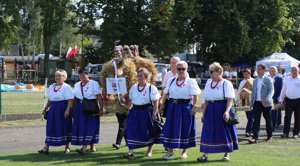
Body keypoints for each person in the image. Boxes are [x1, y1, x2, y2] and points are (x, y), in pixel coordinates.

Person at [198, 62, 238, 162]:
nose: (210, 73)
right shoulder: (208, 82)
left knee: (225, 131)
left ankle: (227, 154)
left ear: (219, 71)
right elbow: (206, 99)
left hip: (222, 108)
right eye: (209, 71)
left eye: (212, 71)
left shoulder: (226, 83)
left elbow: (230, 99)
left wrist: (227, 112)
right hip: (210, 109)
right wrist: (203, 114)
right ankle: (205, 154)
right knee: (208, 130)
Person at [160, 61, 201, 160]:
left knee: (185, 129)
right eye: (179, 69)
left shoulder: (191, 81)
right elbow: (165, 94)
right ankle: (170, 152)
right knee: (170, 128)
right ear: (176, 70)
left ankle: (184, 151)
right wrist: (161, 106)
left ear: (186, 69)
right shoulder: (171, 80)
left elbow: (196, 95)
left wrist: (194, 107)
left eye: (183, 69)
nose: (181, 71)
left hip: (186, 107)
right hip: (172, 107)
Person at [123, 67, 160, 160]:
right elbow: (130, 101)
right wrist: (127, 108)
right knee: (130, 130)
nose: (139, 78)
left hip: (147, 111)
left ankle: (149, 150)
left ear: (146, 77)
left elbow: (156, 102)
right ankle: (131, 152)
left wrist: (154, 113)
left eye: (141, 76)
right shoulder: (134, 88)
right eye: (138, 76)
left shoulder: (151, 88)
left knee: (148, 131)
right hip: (135, 111)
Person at [38, 69, 74, 155]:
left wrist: (67, 110)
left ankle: (67, 147)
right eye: (56, 76)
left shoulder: (67, 87)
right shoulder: (51, 86)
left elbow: (70, 100)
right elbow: (50, 99)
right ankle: (46, 147)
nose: (57, 77)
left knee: (65, 127)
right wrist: (46, 108)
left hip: (63, 108)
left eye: (60, 76)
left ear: (64, 78)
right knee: (50, 127)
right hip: (53, 109)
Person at [72, 68, 103, 155]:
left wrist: (101, 109)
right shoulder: (77, 84)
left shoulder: (94, 83)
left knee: (91, 126)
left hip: (91, 107)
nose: (82, 77)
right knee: (83, 127)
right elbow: (74, 98)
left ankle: (84, 148)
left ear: (87, 75)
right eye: (80, 75)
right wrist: (72, 108)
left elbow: (99, 97)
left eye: (83, 75)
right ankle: (92, 146)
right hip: (80, 107)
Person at [248, 64, 274, 144]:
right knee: (256, 121)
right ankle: (255, 138)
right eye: (257, 69)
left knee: (268, 120)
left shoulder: (268, 79)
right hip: (257, 103)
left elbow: (271, 90)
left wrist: (268, 98)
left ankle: (269, 136)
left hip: (267, 103)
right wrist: (251, 103)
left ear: (264, 70)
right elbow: (253, 93)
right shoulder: (255, 80)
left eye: (259, 69)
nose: (258, 70)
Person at [279, 66, 300, 138]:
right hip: (288, 101)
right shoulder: (287, 79)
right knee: (287, 117)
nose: (294, 71)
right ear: (290, 72)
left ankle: (296, 133)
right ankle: (285, 133)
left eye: (295, 70)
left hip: (298, 101)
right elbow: (283, 90)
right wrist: (281, 100)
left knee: (298, 117)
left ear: (298, 71)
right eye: (292, 70)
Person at [237, 69, 254, 137]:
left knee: (251, 117)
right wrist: (236, 101)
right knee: (249, 117)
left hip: (253, 102)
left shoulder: (254, 81)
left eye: (246, 74)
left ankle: (248, 131)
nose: (245, 75)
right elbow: (239, 92)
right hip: (245, 102)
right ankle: (251, 131)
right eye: (244, 74)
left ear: (249, 74)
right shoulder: (242, 82)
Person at [269, 66, 283, 130]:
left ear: (276, 71)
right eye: (271, 71)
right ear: (269, 72)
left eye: (274, 71)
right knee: (269, 113)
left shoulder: (279, 78)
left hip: (276, 98)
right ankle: (270, 125)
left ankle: (273, 127)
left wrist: (277, 98)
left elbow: (280, 89)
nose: (273, 72)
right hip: (268, 99)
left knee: (274, 113)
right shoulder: (267, 78)